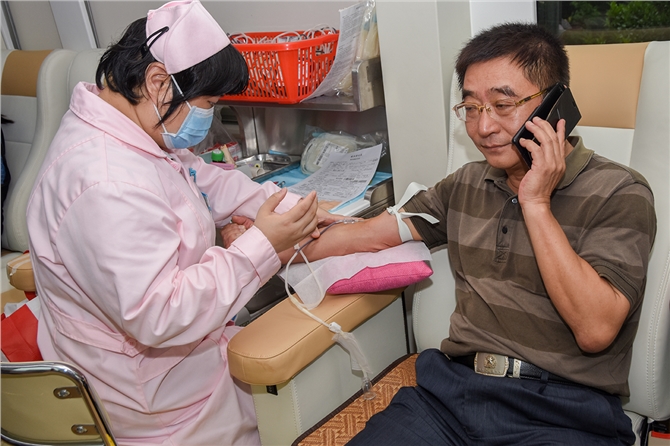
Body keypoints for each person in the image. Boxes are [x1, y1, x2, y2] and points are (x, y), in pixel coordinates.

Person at [281, 23, 656, 445]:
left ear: (555, 105)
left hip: (564, 414)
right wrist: (268, 245)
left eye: (503, 105)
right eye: (472, 108)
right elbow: (365, 236)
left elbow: (595, 330)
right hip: (448, 400)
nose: (483, 127)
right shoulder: (465, 184)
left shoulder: (620, 191)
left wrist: (536, 204)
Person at [25, 1, 341, 444]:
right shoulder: (105, 182)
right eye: (208, 103)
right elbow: (159, 314)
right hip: (153, 400)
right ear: (158, 82)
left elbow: (201, 179)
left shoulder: (135, 129)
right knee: (298, 404)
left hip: (177, 359)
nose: (207, 117)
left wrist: (287, 206)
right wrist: (262, 244)